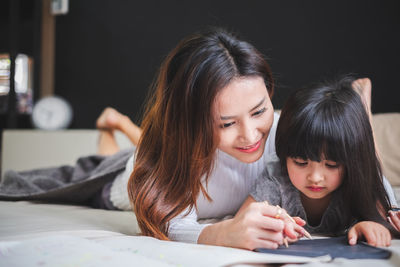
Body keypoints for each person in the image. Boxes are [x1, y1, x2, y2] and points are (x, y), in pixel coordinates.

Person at [239, 76, 397, 247]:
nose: (315, 177)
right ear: (285, 157)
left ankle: (363, 107)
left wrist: (369, 225)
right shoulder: (276, 177)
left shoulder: (362, 176)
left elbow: (381, 222)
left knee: (370, 159)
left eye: (331, 165)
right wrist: (273, 225)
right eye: (300, 162)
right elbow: (242, 222)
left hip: (363, 165)